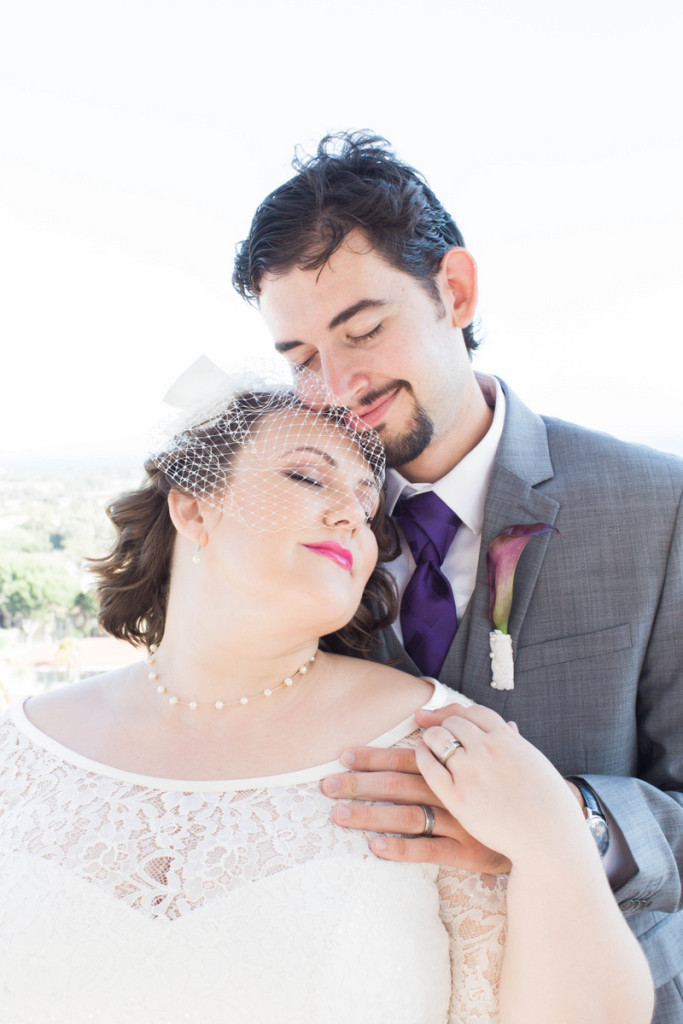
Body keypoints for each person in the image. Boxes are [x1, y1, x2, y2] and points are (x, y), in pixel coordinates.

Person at [0, 382, 653, 1024]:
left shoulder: (433, 742)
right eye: (309, 478)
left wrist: (552, 840)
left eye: (368, 510)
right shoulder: (19, 745)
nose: (349, 514)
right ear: (194, 509)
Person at [232, 131, 683, 1022]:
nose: (336, 384)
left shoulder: (658, 506)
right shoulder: (292, 520)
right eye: (297, 359)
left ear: (455, 291)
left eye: (362, 329)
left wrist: (567, 824)